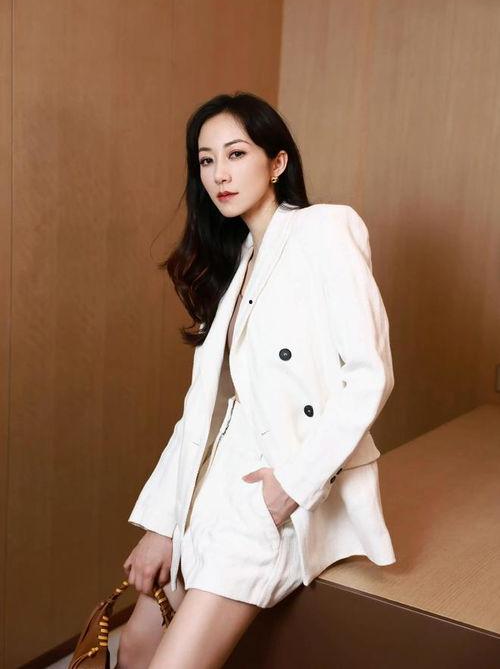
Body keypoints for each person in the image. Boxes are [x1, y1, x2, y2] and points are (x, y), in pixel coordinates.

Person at [116, 91, 396, 668]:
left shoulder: (325, 229)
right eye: (206, 160)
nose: (219, 173)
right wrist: (162, 525)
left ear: (277, 162)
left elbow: (369, 376)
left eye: (236, 153)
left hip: (274, 488)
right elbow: (202, 411)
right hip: (209, 485)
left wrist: (287, 488)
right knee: (136, 645)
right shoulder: (239, 260)